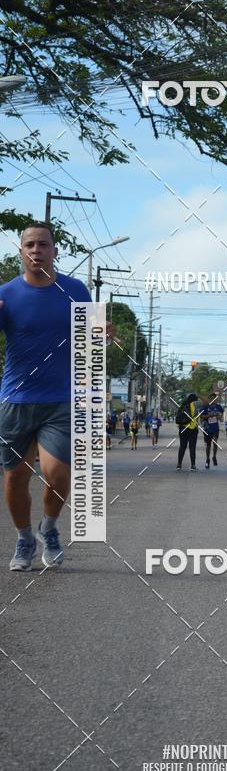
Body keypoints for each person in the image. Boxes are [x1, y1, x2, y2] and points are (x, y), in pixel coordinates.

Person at [0, 222, 92, 570]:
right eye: (29, 245)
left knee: (57, 474)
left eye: (43, 244)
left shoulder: (76, 290)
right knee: (16, 476)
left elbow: (90, 340)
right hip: (16, 400)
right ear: (21, 251)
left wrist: (103, 333)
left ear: (55, 251)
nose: (36, 250)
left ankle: (49, 528)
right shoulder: (6, 294)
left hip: (62, 400)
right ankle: (24, 539)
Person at [199, 393, 223, 468]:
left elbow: (221, 417)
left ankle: (214, 457)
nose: (214, 400)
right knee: (208, 445)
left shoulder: (218, 407)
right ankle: (207, 459)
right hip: (207, 428)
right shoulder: (205, 407)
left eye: (215, 399)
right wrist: (209, 416)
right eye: (212, 399)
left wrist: (219, 416)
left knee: (215, 442)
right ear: (209, 399)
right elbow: (201, 416)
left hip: (215, 427)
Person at [175, 393, 199, 470]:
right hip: (192, 429)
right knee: (192, 447)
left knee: (182, 446)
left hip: (182, 428)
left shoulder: (182, 405)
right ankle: (193, 465)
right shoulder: (195, 405)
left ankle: (179, 465)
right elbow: (197, 415)